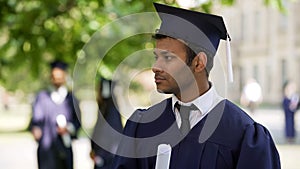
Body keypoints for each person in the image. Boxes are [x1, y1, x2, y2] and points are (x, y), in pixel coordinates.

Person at [112, 3, 280, 169]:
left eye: (168, 58)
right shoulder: (142, 126)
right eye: (156, 57)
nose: (156, 67)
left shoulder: (243, 135)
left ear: (199, 63)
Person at [30, 60, 81, 169]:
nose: (57, 79)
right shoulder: (42, 97)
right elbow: (36, 120)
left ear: (64, 76)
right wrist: (36, 129)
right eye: (54, 77)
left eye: (59, 77)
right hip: (46, 150)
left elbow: (77, 122)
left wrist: (68, 128)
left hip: (65, 148)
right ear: (51, 78)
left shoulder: (71, 99)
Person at [90, 78, 123, 169]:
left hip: (106, 160)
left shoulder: (111, 110)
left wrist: (100, 157)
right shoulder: (104, 108)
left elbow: (110, 137)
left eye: (99, 89)